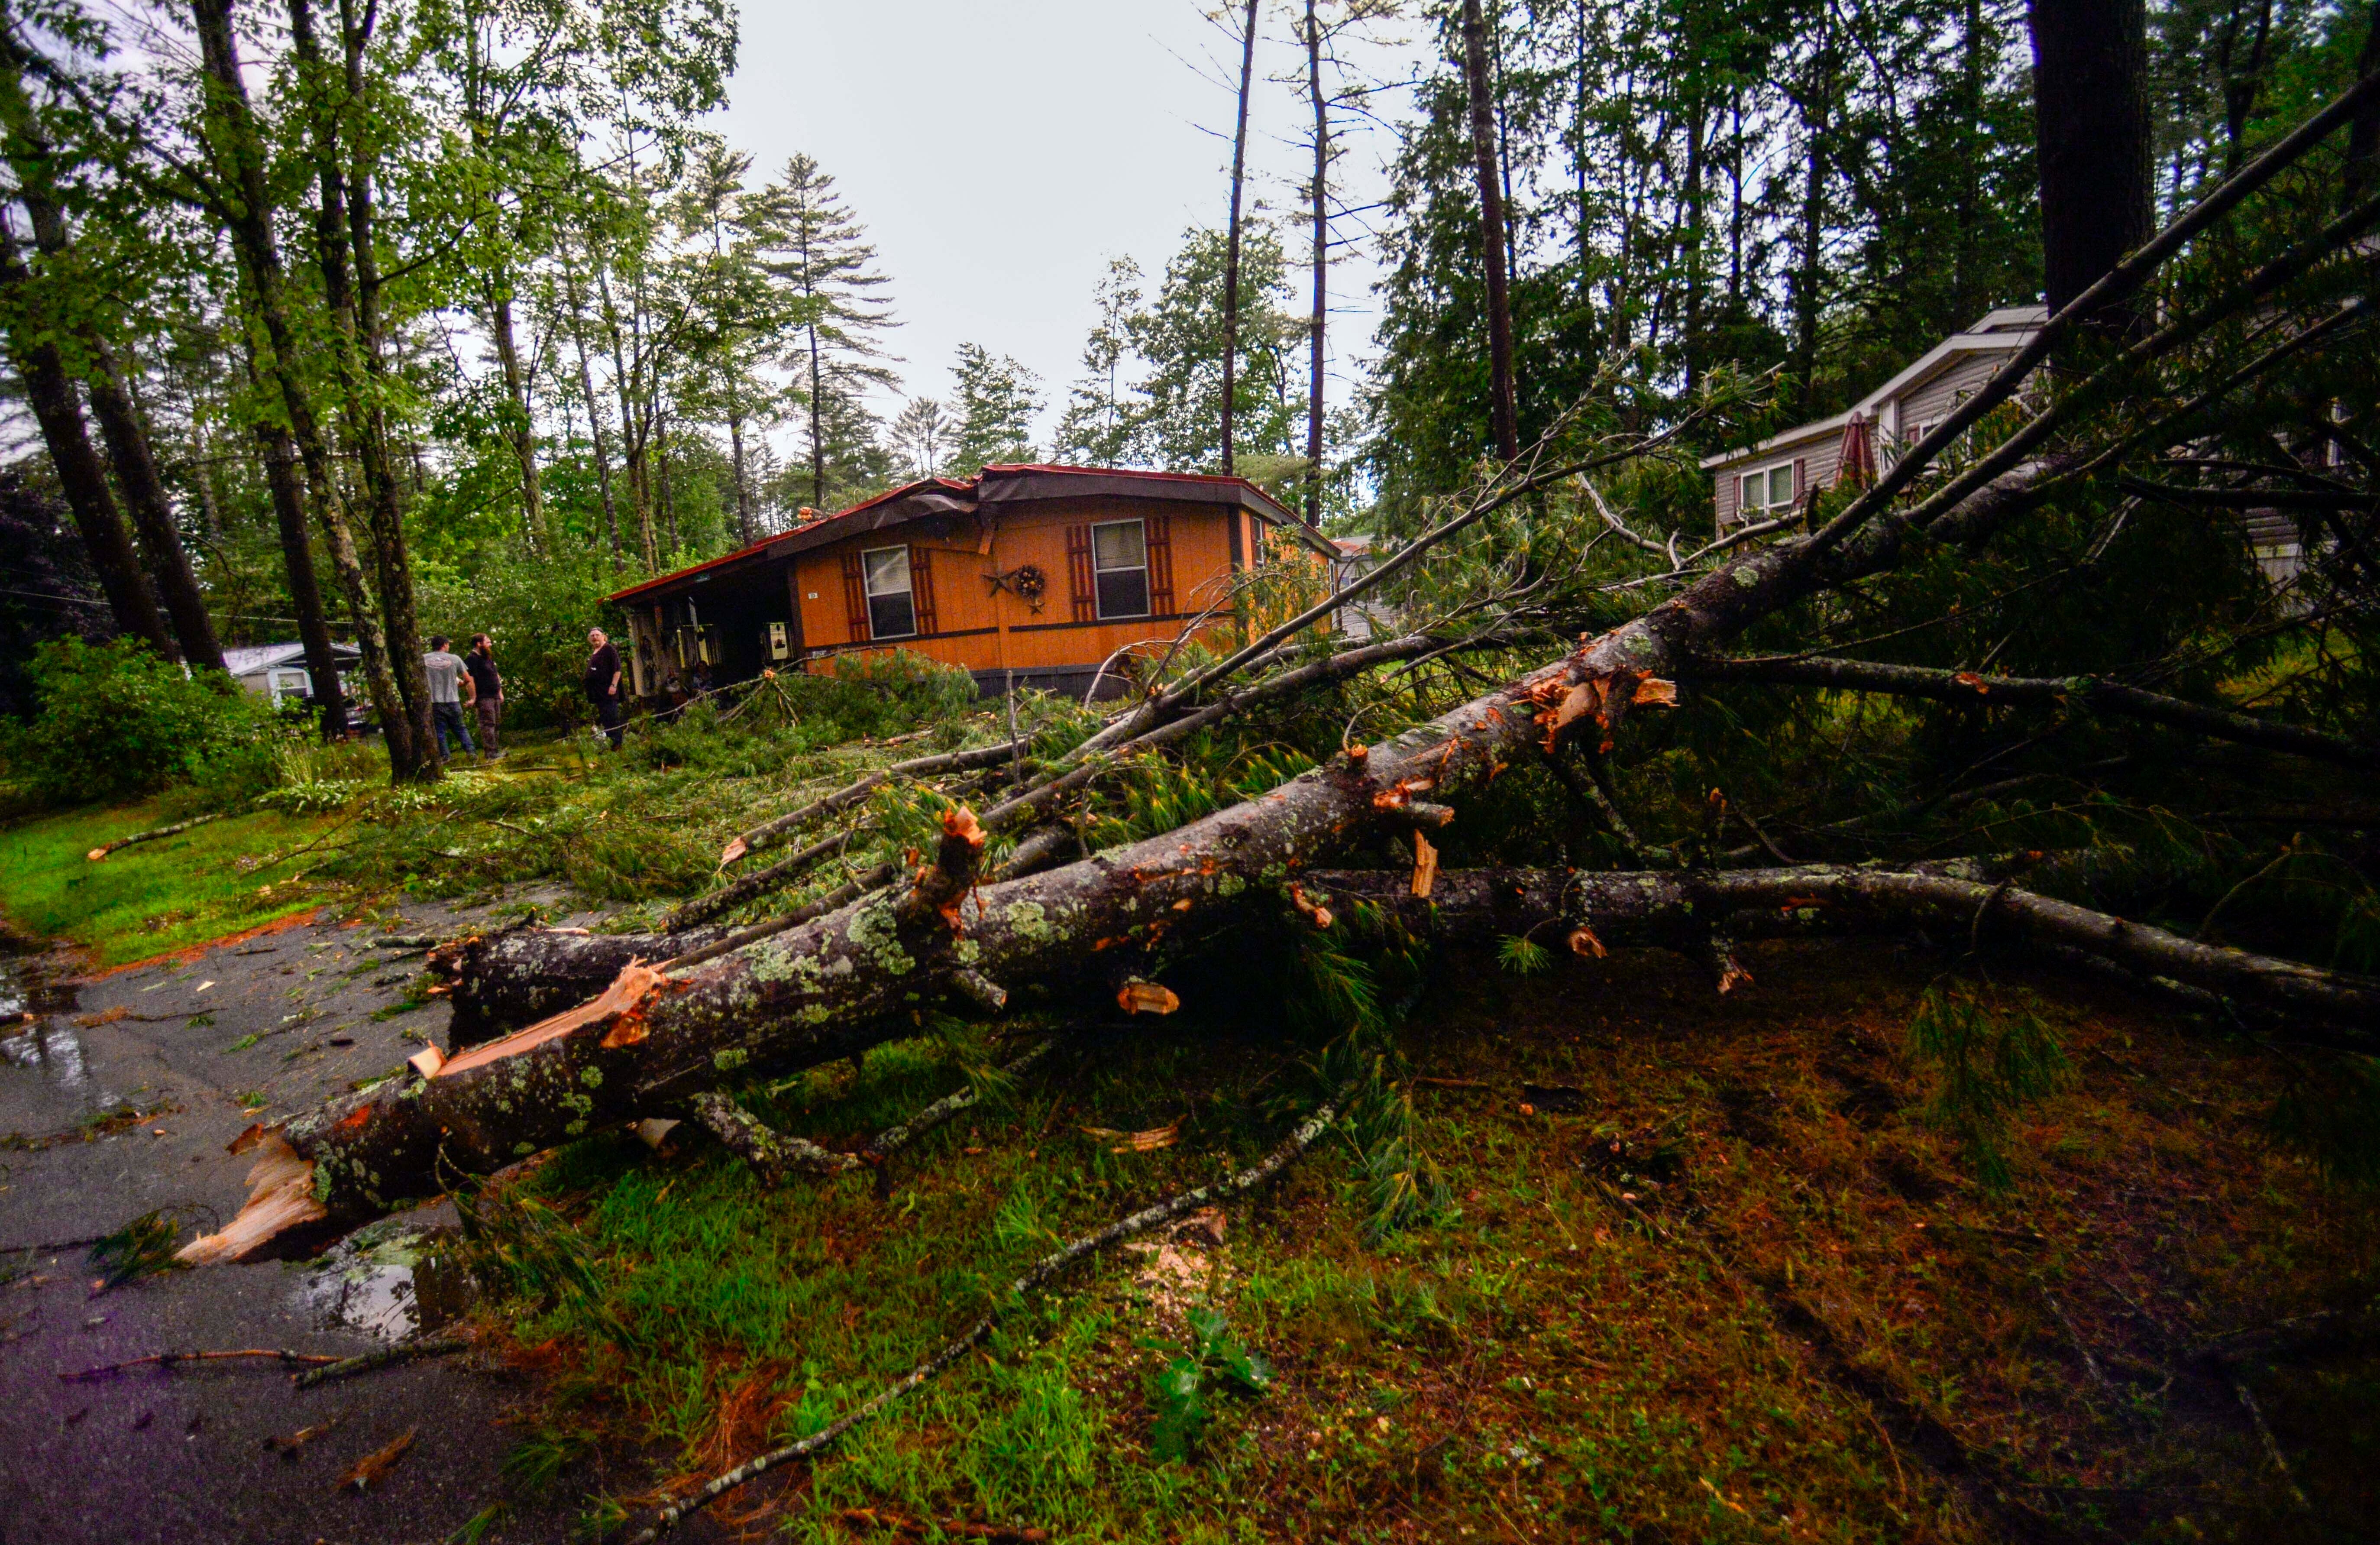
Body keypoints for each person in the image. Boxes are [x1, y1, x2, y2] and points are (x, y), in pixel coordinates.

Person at [424, 635, 475, 758]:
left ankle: (446, 756)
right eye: (448, 644)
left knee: (439, 731)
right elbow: (468, 679)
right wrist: (460, 684)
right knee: (461, 728)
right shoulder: (455, 659)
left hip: (434, 701)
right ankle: (471, 752)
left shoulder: (423, 659)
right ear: (445, 645)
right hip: (453, 700)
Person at [466, 633, 504, 759]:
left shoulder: (488, 657)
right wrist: (473, 698)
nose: (491, 644)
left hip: (495, 695)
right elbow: (469, 679)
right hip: (484, 697)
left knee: (497, 724)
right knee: (488, 725)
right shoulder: (472, 659)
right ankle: (490, 753)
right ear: (479, 644)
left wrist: (500, 693)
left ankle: (496, 751)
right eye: (488, 642)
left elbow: (496, 675)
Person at [585, 627, 624, 749]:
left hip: (609, 692)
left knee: (612, 718)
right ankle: (610, 744)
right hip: (599, 694)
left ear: (604, 637)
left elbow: (617, 669)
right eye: (593, 636)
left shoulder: (609, 649)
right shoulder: (595, 651)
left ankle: (617, 745)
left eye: (597, 635)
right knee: (605, 720)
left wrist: (614, 685)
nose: (595, 637)